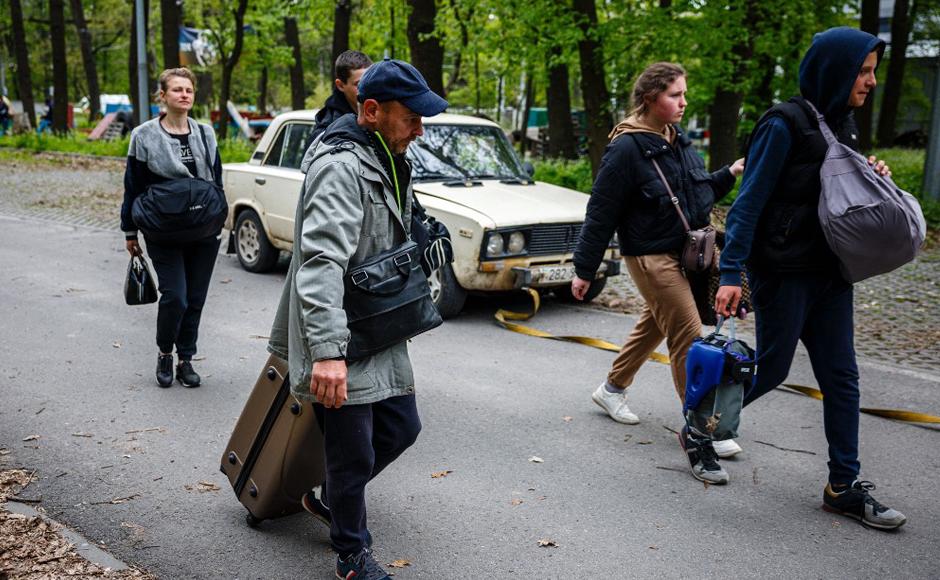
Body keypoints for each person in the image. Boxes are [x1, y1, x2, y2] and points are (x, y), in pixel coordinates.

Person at [714, 28, 906, 529]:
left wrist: (869, 174)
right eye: (863, 72)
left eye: (872, 71)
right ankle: (702, 422)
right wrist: (731, 272)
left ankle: (843, 485)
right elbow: (748, 203)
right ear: (835, 71)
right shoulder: (783, 123)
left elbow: (832, 188)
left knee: (842, 379)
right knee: (772, 370)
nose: (871, 81)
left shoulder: (842, 124)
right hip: (783, 271)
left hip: (831, 272)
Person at [281, 58, 447, 579]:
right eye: (412, 117)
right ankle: (351, 555)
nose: (420, 129)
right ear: (370, 110)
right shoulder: (341, 165)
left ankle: (331, 497)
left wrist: (422, 233)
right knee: (352, 453)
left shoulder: (387, 157)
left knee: (402, 427)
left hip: (379, 324)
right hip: (341, 334)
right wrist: (328, 353)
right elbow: (320, 262)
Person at [571, 62, 744, 484]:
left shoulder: (678, 142)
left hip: (685, 254)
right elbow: (601, 211)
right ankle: (703, 428)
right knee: (688, 334)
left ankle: (611, 390)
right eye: (675, 95)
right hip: (650, 256)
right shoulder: (626, 148)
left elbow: (698, 192)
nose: (684, 103)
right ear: (650, 98)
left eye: (685, 94)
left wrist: (730, 174)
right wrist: (584, 269)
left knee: (657, 322)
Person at [120, 68, 223, 389]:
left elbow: (216, 181)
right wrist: (129, 232)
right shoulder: (144, 135)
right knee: (175, 297)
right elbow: (132, 186)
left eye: (189, 90)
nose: (184, 94)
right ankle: (165, 351)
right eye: (177, 89)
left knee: (195, 298)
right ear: (162, 96)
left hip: (204, 230)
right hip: (163, 230)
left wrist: (220, 219)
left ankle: (186, 359)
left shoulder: (206, 133)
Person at [311, 50, 372, 140]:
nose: (367, 89)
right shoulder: (329, 131)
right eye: (359, 84)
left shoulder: (381, 112)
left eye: (370, 81)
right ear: (340, 85)